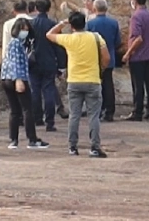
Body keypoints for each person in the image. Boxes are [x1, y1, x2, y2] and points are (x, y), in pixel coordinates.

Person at [47, 12, 110, 158]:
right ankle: (95, 147)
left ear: (72, 25)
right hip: (93, 80)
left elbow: (49, 34)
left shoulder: (69, 39)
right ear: (85, 23)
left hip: (74, 81)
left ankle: (72, 147)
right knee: (94, 115)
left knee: (74, 115)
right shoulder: (96, 37)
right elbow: (106, 57)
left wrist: (63, 23)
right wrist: (100, 70)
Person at [1, 17, 47, 149]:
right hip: (17, 78)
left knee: (15, 111)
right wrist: (18, 80)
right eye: (23, 29)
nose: (25, 32)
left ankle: (13, 140)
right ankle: (32, 139)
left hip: (7, 78)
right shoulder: (16, 44)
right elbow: (15, 62)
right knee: (27, 109)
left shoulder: (16, 43)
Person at [124, 0, 149, 121]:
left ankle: (137, 112)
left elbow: (138, 38)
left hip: (138, 56)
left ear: (134, 1)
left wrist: (128, 53)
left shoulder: (136, 16)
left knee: (138, 85)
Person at [28, 0, 63, 132]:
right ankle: (50, 122)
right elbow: (59, 47)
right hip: (49, 62)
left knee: (34, 90)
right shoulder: (53, 25)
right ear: (49, 9)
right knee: (48, 90)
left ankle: (37, 119)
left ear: (36, 8)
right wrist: (61, 66)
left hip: (33, 61)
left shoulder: (31, 24)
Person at [85, 0, 121, 122]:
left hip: (94, 58)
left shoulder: (90, 24)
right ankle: (110, 111)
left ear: (94, 8)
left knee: (95, 86)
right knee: (108, 84)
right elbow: (118, 41)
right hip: (109, 57)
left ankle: (98, 110)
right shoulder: (114, 23)